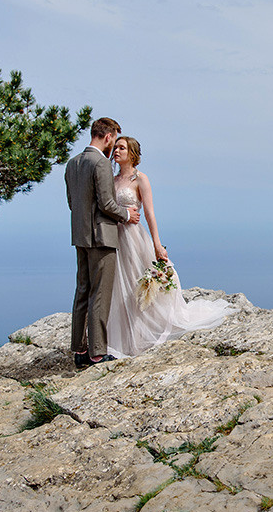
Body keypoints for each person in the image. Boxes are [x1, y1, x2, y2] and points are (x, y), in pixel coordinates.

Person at [107, 136, 233, 357]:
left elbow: (149, 213)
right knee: (120, 285)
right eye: (115, 147)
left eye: (122, 147)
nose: (116, 150)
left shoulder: (140, 179)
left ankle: (144, 330)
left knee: (137, 281)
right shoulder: (112, 179)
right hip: (113, 237)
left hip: (132, 237)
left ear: (132, 153)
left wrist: (157, 243)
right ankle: (125, 336)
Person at [65, 117, 140, 368]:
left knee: (82, 291)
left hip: (80, 237)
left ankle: (79, 350)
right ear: (108, 137)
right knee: (100, 294)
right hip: (102, 237)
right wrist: (127, 214)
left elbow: (72, 204)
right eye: (114, 139)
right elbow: (107, 204)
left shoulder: (72, 164)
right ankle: (97, 353)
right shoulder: (101, 164)